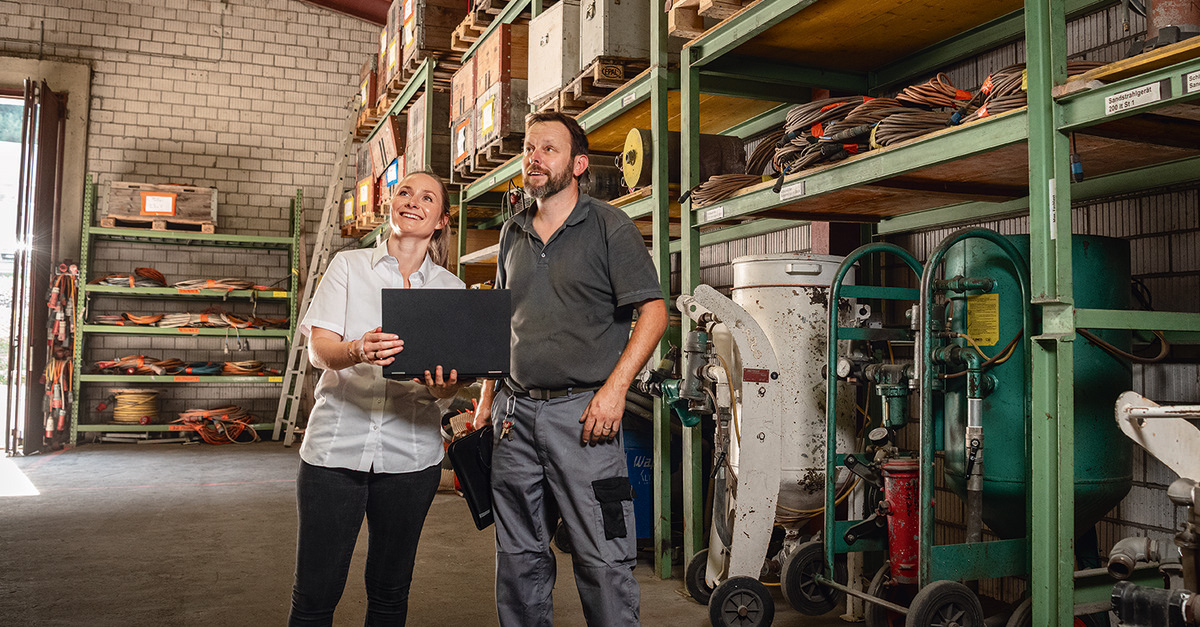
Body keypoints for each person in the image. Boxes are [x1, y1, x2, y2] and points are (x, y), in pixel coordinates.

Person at [473, 112, 668, 626]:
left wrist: (614, 391)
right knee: (518, 559)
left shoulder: (609, 226)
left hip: (585, 417)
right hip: (514, 418)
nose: (534, 157)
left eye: (549, 149)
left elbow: (654, 312)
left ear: (578, 164)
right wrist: (485, 406)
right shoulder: (513, 232)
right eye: (529, 148)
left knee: (604, 555)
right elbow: (499, 324)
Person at [289, 171, 465, 626]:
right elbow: (318, 349)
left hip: (410, 458)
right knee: (315, 593)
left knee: (390, 593)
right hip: (335, 453)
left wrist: (445, 388)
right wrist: (356, 349)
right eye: (404, 192)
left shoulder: (452, 291)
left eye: (427, 198)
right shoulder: (348, 267)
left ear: (441, 220)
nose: (413, 201)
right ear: (391, 204)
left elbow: (444, 385)